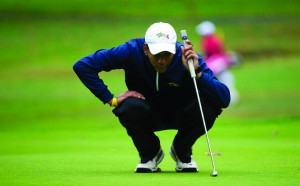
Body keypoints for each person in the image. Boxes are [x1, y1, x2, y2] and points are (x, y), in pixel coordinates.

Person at [73, 22, 230, 173]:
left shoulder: (187, 57)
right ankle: (150, 154)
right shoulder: (131, 51)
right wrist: (110, 99)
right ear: (146, 49)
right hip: (147, 113)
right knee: (127, 107)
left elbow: (224, 99)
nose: (161, 61)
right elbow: (83, 66)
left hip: (183, 113)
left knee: (210, 103)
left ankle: (182, 150)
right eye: (157, 55)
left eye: (167, 55)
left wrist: (196, 73)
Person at [196, 21, 239, 104]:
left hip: (215, 64)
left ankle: (231, 98)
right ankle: (230, 97)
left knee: (223, 80)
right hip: (220, 62)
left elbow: (206, 54)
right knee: (225, 80)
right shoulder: (216, 39)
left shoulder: (207, 41)